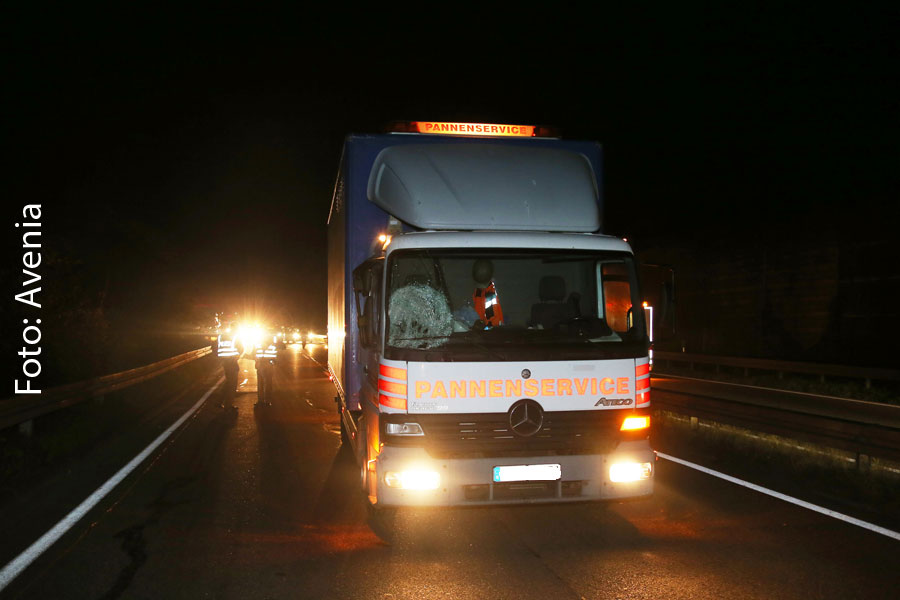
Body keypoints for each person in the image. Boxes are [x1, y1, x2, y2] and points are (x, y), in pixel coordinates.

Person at [216, 322, 244, 408]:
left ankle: (219, 401)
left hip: (225, 362)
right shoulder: (235, 337)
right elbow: (241, 349)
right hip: (232, 362)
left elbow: (215, 348)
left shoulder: (221, 337)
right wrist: (237, 356)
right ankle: (229, 405)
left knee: (228, 382)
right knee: (232, 384)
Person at [472, 258, 504, 328]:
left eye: (483, 269)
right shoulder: (478, 292)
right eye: (479, 268)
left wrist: (482, 329)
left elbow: (492, 324)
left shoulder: (490, 294)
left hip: (491, 335)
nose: (481, 271)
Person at [254, 332, 279, 406]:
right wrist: (273, 362)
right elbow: (274, 357)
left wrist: (257, 362)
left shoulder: (258, 345)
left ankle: (260, 401)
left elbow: (254, 354)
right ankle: (267, 400)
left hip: (260, 365)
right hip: (268, 365)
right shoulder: (272, 346)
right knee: (268, 383)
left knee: (260, 383)